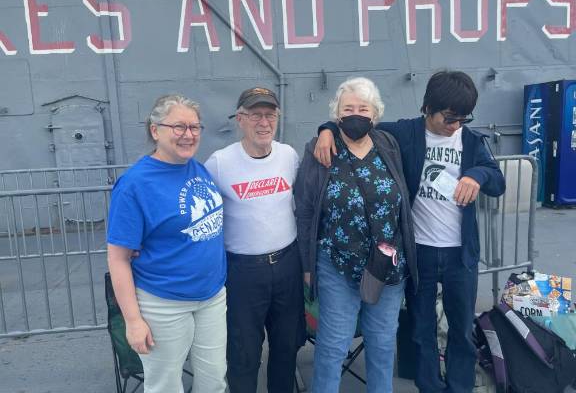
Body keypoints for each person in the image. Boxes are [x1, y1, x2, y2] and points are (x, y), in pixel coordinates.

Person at [314, 70, 506, 393]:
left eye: (463, 118)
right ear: (428, 108)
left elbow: (497, 181)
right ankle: (430, 387)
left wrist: (476, 175)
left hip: (460, 254)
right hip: (420, 252)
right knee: (422, 331)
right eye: (449, 117)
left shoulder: (471, 141)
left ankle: (459, 388)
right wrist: (327, 129)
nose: (455, 124)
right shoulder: (404, 133)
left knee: (461, 330)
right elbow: (361, 122)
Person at [294, 77, 417, 393]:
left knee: (381, 342)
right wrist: (307, 267)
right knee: (332, 345)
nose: (356, 114)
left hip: (387, 265)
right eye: (348, 108)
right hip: (337, 263)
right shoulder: (320, 148)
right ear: (337, 114)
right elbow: (306, 209)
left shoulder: (388, 144)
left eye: (363, 108)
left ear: (375, 114)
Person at [107, 95, 227, 393]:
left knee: (213, 380)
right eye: (178, 127)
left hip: (211, 297)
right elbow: (118, 258)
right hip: (164, 303)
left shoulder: (198, 169)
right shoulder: (135, 184)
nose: (188, 135)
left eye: (194, 127)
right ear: (155, 130)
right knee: (165, 385)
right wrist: (133, 321)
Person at [204, 87, 305, 393]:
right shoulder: (219, 163)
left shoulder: (289, 155)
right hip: (243, 273)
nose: (264, 122)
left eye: (270, 114)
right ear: (240, 119)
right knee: (244, 354)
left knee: (287, 349)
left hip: (287, 265)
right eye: (256, 115)